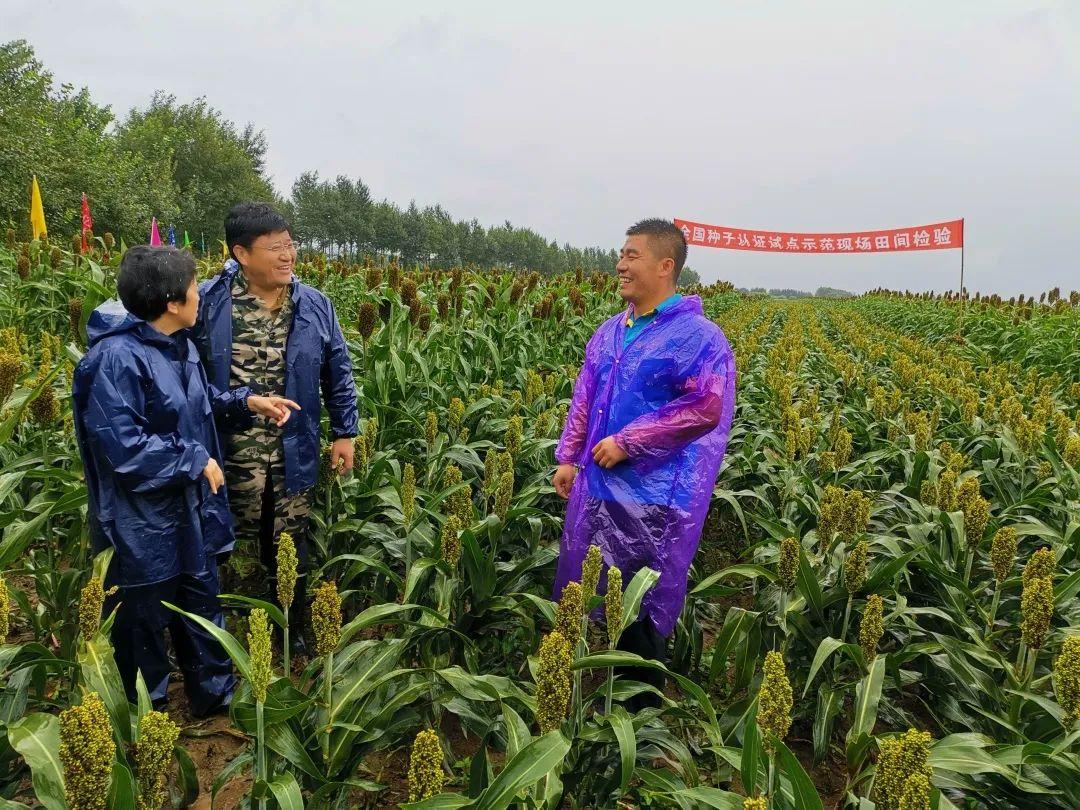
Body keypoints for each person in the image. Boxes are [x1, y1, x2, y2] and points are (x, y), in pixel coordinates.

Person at [552, 218, 736, 710]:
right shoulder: (611, 331)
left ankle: (638, 726)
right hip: (599, 487)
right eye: (621, 254)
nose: (620, 264)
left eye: (631, 255)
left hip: (655, 499)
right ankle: (593, 698)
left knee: (640, 607)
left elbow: (706, 408)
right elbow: (583, 399)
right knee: (593, 590)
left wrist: (629, 442)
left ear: (665, 265)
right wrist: (569, 457)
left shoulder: (699, 337)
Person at [72, 245, 235, 715]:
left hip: (189, 509)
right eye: (192, 286)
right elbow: (123, 448)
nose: (199, 295)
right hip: (140, 521)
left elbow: (197, 406)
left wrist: (246, 403)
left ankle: (214, 699)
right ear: (171, 302)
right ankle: (148, 717)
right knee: (141, 621)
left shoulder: (177, 345)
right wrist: (191, 459)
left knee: (201, 605)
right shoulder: (116, 359)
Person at [192, 202, 359, 655]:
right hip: (229, 451)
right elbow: (187, 382)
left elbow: (337, 371)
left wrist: (346, 432)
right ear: (241, 253)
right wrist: (241, 405)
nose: (288, 256)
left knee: (290, 542)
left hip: (293, 449)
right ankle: (236, 637)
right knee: (232, 545)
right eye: (275, 248)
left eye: (290, 245)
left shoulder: (314, 305)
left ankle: (290, 628)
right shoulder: (208, 302)